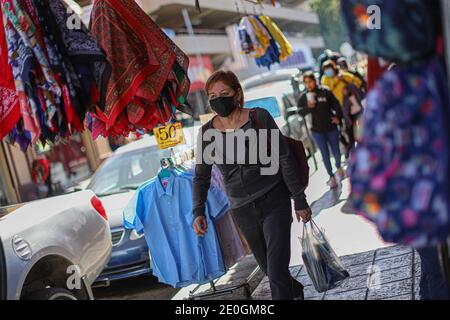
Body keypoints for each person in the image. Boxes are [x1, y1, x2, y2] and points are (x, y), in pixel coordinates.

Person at [192, 70, 312, 300]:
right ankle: (294, 291)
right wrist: (198, 211)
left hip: (273, 200)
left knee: (276, 270)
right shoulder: (206, 134)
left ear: (237, 93)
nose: (219, 99)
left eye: (224, 93)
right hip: (242, 210)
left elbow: (284, 157)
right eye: (213, 95)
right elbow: (201, 176)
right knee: (270, 269)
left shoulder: (259, 118)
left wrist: (299, 199)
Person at [298, 72, 346, 189]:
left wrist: (338, 118)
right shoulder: (304, 96)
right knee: (324, 154)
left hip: (331, 127)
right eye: (306, 82)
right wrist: (308, 107)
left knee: (336, 151)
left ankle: (338, 166)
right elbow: (300, 112)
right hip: (317, 131)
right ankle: (331, 176)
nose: (308, 84)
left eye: (310, 81)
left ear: (315, 81)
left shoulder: (325, 91)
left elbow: (337, 105)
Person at [322, 60, 364, 158]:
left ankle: (358, 149)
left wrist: (348, 85)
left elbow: (358, 82)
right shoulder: (325, 80)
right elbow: (326, 89)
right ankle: (349, 148)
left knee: (357, 129)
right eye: (326, 70)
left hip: (352, 107)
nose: (328, 71)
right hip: (338, 110)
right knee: (343, 131)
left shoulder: (343, 75)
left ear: (334, 68)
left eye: (329, 69)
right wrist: (337, 81)